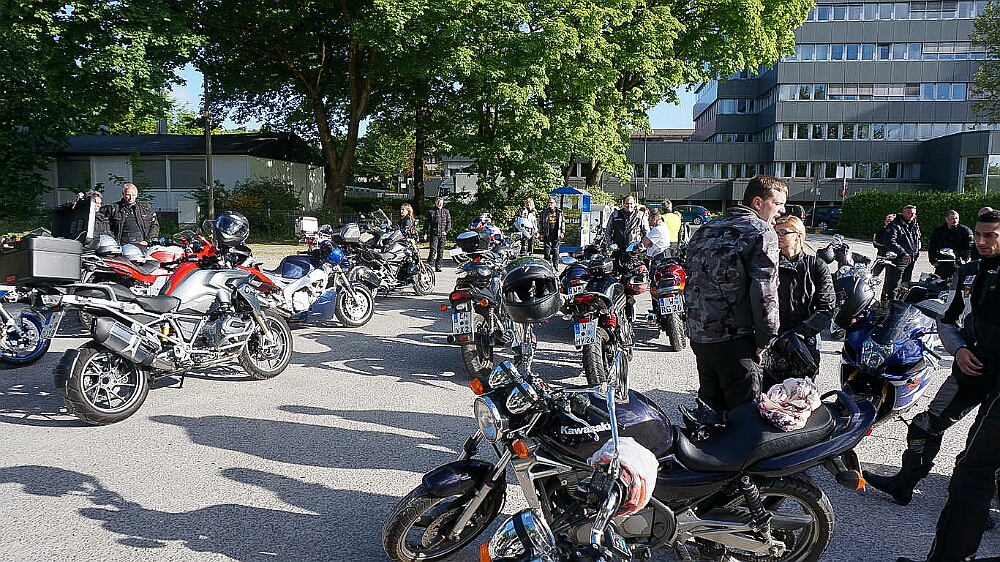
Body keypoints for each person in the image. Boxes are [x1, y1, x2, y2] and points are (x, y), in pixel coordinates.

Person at [895, 210, 1000, 562]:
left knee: (973, 467)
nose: (983, 242)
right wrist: (959, 350)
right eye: (980, 235)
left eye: (991, 236)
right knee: (926, 425)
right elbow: (948, 318)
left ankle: (972, 520)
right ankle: (903, 483)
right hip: (972, 369)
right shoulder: (971, 271)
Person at [683, 175, 786, 413]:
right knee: (745, 419)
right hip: (735, 340)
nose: (782, 210)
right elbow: (765, 292)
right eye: (778, 203)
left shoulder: (705, 229)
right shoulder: (761, 231)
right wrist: (766, 340)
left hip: (701, 337)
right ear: (758, 202)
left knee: (711, 413)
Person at [771, 215, 835, 381]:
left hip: (805, 340)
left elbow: (826, 307)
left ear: (798, 235)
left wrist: (798, 334)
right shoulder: (769, 264)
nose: (778, 236)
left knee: (803, 390)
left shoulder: (816, 265)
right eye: (776, 232)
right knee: (770, 390)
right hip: (774, 339)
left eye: (783, 232)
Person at [883, 204, 921, 301]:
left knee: (906, 286)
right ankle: (891, 304)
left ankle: (901, 304)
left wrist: (916, 253)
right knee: (894, 286)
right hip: (898, 259)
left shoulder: (914, 225)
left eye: (913, 213)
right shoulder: (895, 225)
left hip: (911, 259)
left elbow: (916, 241)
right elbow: (890, 242)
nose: (912, 215)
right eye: (910, 213)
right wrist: (902, 253)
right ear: (904, 213)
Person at [929, 210, 975, 280]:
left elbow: (969, 248)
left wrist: (963, 261)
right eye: (952, 218)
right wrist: (933, 260)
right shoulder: (938, 231)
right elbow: (932, 247)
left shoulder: (965, 231)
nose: (955, 220)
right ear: (946, 219)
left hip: (958, 264)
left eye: (956, 218)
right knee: (939, 283)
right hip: (942, 264)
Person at [423, 197, 452, 272]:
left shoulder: (446, 212)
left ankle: (438, 266)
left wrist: (446, 231)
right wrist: (425, 233)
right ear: (435, 203)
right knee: (433, 250)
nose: (439, 204)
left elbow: (449, 222)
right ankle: (429, 266)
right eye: (438, 203)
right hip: (434, 234)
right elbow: (426, 224)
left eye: (441, 203)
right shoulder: (430, 211)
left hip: (443, 234)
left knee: (440, 251)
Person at [538, 197, 564, 268]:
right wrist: (541, 233)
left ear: (555, 204)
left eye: (552, 203)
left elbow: (562, 222)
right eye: (549, 203)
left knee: (556, 251)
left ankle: (555, 266)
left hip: (556, 233)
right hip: (547, 232)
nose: (550, 204)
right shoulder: (544, 212)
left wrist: (562, 232)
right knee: (547, 251)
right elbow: (540, 223)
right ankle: (547, 266)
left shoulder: (559, 212)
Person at [871, 213, 896, 277]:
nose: (889, 223)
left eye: (891, 221)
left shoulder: (899, 232)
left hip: (893, 259)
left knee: (890, 278)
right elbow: (875, 243)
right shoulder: (880, 231)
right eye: (888, 221)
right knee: (872, 274)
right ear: (885, 222)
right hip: (881, 257)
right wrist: (886, 244)